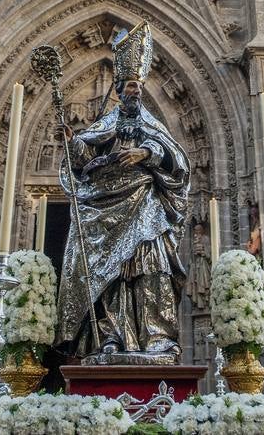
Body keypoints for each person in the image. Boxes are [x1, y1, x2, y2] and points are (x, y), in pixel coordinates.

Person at [57, 22, 190, 359]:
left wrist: (146, 153)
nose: (135, 91)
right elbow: (86, 156)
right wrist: (74, 142)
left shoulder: (151, 124)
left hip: (146, 206)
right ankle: (112, 337)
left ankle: (158, 336)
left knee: (151, 268)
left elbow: (178, 160)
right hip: (108, 210)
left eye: (138, 86)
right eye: (129, 86)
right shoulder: (107, 123)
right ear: (118, 89)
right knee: (112, 275)